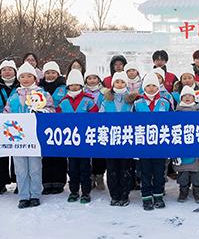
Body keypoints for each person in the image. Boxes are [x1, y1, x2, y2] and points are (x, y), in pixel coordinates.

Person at [4, 62, 55, 208]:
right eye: (22, 76)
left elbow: (52, 110)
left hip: (35, 137)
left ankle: (35, 194)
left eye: (29, 76)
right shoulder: (14, 96)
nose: (25, 79)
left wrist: (42, 112)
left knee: (35, 168)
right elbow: (6, 113)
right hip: (17, 137)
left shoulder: (43, 94)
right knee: (20, 169)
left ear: (35, 78)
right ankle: (24, 195)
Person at [57, 69, 99, 205]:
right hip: (70, 140)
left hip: (85, 139)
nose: (74, 87)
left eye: (77, 85)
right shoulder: (63, 102)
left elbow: (95, 117)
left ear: (81, 85)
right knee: (72, 167)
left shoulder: (88, 100)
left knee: (85, 167)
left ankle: (86, 192)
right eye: (71, 85)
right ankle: (74, 191)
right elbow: (57, 120)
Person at [133, 72, 173, 211]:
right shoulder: (137, 103)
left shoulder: (165, 102)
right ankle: (146, 197)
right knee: (145, 172)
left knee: (159, 172)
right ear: (144, 87)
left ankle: (158, 195)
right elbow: (132, 124)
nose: (151, 88)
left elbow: (172, 122)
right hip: (144, 144)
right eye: (148, 85)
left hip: (160, 144)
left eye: (154, 85)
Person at [100, 71, 138, 206]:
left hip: (126, 139)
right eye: (117, 82)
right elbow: (100, 118)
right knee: (112, 168)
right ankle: (114, 195)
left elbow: (136, 118)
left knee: (125, 168)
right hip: (110, 139)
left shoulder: (132, 100)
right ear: (112, 84)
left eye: (122, 82)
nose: (120, 84)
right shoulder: (106, 100)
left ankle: (124, 194)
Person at [0, 59, 19, 196]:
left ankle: (19, 181)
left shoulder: (20, 85)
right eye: (4, 70)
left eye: (10, 69)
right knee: (0, 154)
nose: (7, 72)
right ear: (0, 72)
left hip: (17, 124)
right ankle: (1, 184)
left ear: (15, 72)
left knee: (18, 153)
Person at [39, 61, 68, 195]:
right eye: (48, 73)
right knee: (46, 154)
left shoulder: (64, 87)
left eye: (53, 72)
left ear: (58, 73)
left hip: (60, 124)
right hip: (43, 124)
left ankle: (59, 182)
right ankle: (46, 182)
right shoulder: (39, 88)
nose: (50, 75)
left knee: (59, 154)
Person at [173, 85, 199, 203]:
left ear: (194, 98)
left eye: (190, 96)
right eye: (184, 96)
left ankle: (197, 190)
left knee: (196, 173)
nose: (187, 98)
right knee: (183, 173)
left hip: (196, 145)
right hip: (182, 146)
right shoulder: (176, 112)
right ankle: (183, 190)